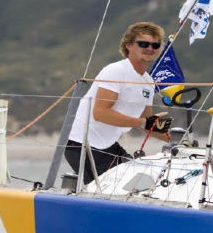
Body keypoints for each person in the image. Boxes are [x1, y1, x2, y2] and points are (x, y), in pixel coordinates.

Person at [65, 21, 173, 183]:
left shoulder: (148, 82)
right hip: (82, 145)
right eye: (143, 43)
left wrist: (177, 140)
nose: (150, 48)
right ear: (129, 45)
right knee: (120, 189)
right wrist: (143, 123)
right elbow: (100, 113)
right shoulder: (116, 71)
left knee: (140, 183)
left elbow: (147, 124)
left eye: (155, 45)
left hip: (107, 145)